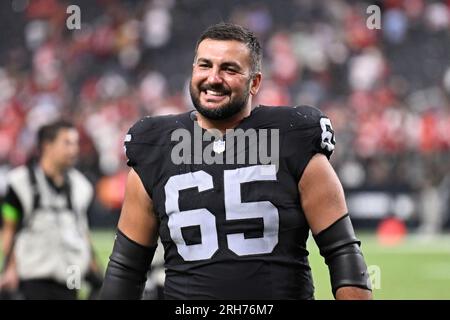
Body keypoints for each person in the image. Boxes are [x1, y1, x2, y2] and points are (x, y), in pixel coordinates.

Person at [100, 23, 372, 300]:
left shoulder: (292, 137)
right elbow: (126, 268)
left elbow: (342, 252)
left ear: (254, 82)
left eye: (229, 69)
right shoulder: (155, 146)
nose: (214, 78)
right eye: (205, 66)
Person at [0, 120, 102, 300]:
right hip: (36, 274)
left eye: (75, 143)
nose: (74, 150)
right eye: (67, 143)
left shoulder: (81, 186)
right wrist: (10, 268)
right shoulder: (19, 183)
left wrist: (97, 274)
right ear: (47, 146)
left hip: (72, 274)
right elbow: (9, 229)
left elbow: (81, 230)